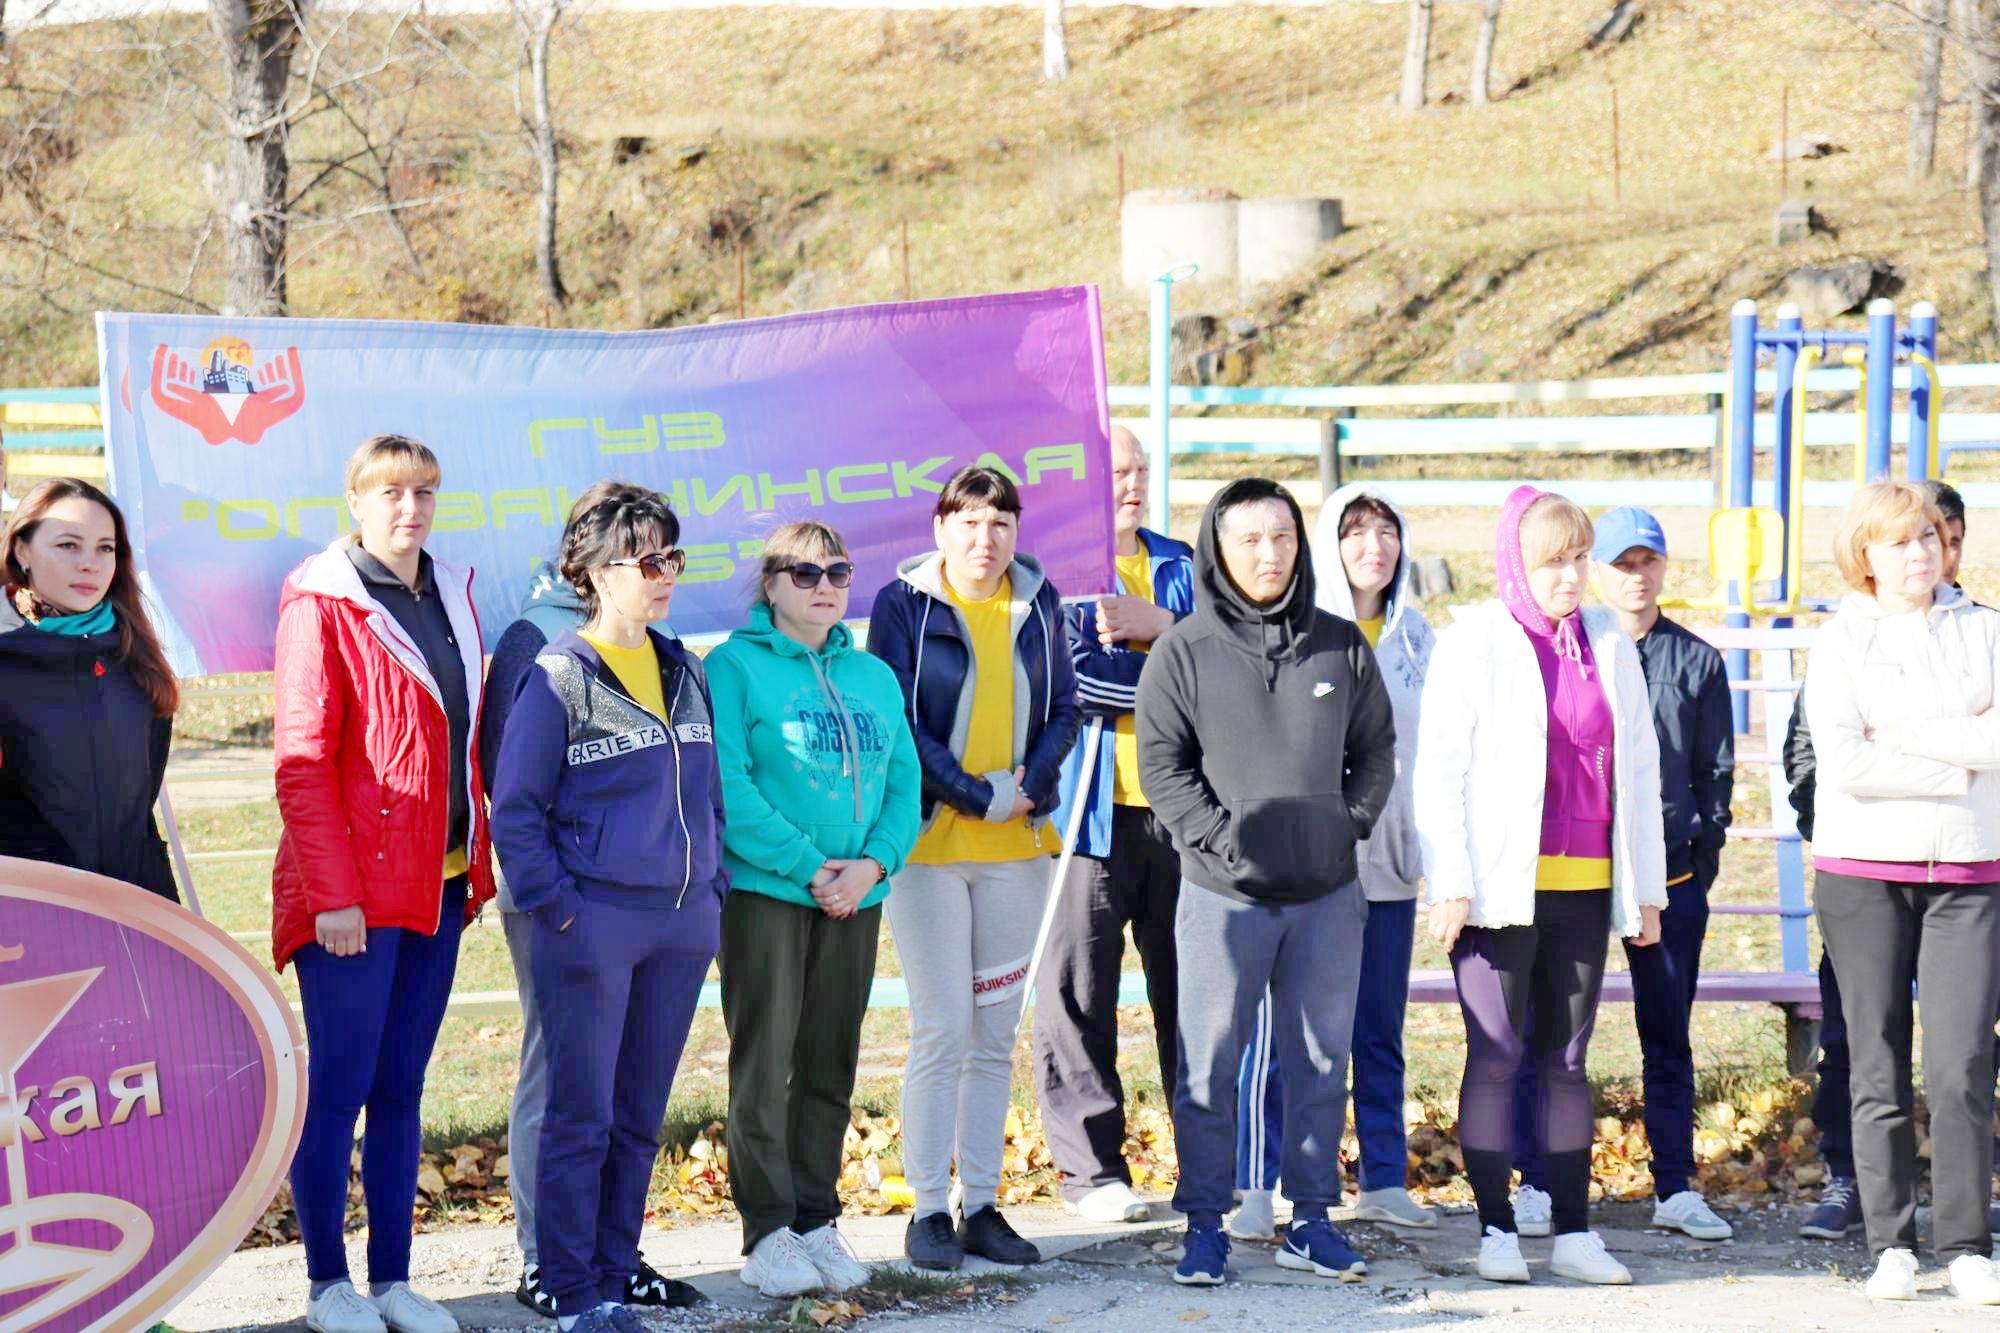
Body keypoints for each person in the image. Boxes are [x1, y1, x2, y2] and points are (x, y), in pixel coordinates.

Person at [1136, 477, 1396, 1288]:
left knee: (1320, 1060)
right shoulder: (1183, 649)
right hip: (1222, 897)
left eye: (1281, 536)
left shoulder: (1339, 643)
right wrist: (1225, 841)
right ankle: (1204, 1224)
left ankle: (1311, 1219)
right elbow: (1163, 766)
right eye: (1248, 539)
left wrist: (1345, 823)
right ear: (1218, 549)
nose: (1268, 553)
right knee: (1209, 1064)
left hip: (1326, 895)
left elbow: (1376, 749)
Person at [1414, 485, 1665, 1288]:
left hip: (1585, 882)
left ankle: (1575, 1232)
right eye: (1554, 560)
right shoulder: (1475, 639)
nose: (1571, 576)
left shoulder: (1608, 641)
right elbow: (1440, 769)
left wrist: (1647, 887)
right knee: (1495, 1056)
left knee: (1568, 1059)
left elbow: (1641, 766)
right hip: (1496, 887)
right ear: (1517, 563)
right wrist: (1450, 880)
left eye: (1580, 558)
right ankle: (1495, 1228)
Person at [490, 483, 726, 1333]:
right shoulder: (558, 675)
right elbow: (515, 811)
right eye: (646, 560)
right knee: (579, 1115)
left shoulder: (685, 666)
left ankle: (616, 1269)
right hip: (590, 925)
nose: (666, 575)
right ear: (593, 571)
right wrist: (561, 911)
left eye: (672, 557)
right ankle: (569, 1286)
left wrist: (710, 892)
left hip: (679, 924)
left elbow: (710, 793)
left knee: (638, 1115)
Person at [272, 436, 492, 1333]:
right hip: (352, 898)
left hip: (439, 884)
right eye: (391, 492)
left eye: (425, 491)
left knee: (401, 1087)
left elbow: (464, 739)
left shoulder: (453, 593)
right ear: (355, 501)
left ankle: (394, 1278)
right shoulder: (321, 599)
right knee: (339, 1085)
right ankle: (328, 1283)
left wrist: (476, 864)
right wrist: (332, 895)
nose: (411, 508)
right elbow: (301, 764)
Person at [866, 465, 1081, 1272]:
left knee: (994, 1036)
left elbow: (1066, 709)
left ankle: (982, 1205)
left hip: (1016, 850)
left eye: (1000, 524)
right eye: (969, 522)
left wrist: (1031, 787)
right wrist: (973, 793)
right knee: (944, 1026)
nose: (985, 539)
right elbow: (897, 718)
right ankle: (926, 1207)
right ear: (940, 529)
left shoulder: (1041, 601)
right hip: (929, 848)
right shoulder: (904, 605)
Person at [1506, 507, 1735, 1243]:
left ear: (1664, 567)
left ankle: (1675, 1183)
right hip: (1573, 871)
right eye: (1621, 562)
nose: (1635, 576)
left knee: (1666, 1032)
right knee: (1548, 1034)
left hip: (1666, 879)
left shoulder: (1696, 661)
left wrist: (1694, 863)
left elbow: (1715, 776)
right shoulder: (1572, 647)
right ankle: (1536, 1177)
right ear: (1595, 569)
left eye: (1647, 561)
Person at [707, 521, 921, 1297]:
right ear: (770, 584)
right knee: (765, 1063)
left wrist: (871, 865)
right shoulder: (732, 667)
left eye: (837, 570)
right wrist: (810, 866)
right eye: (804, 572)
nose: (824, 584)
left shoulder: (873, 676)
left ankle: (815, 1216)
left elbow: (905, 784)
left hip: (855, 894)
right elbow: (727, 784)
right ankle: (767, 1231)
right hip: (768, 892)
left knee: (831, 1060)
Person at [1784, 479, 2000, 1243]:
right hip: (1864, 873)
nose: (1920, 553)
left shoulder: (1988, 631)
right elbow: (1844, 761)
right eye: (1900, 541)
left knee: (1961, 1065)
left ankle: (1966, 1241)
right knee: (1875, 1064)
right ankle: (1890, 1243)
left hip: (1969, 874)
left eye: (1929, 537)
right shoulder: (1840, 641)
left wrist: (1901, 733)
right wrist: (1962, 760)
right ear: (1865, 555)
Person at [1230, 484, 1438, 1239]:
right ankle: (1259, 1183)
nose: (1372, 547)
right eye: (1355, 532)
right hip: (1311, 867)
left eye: (1386, 531)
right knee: (1289, 1035)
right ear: (1329, 542)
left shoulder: (1419, 640)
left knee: (1378, 1027)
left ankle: (1382, 1177)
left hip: (1389, 865)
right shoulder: (1304, 631)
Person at [1033, 426, 1195, 1225]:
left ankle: (1211, 1162)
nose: (1130, 484)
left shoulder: (1183, 566)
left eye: (1139, 470)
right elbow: (1079, 681)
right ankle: (1092, 1170)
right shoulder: (1058, 573)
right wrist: (1177, 661)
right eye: (1115, 472)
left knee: (1193, 993)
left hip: (1182, 813)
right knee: (1079, 992)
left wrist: (1162, 625)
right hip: (1088, 813)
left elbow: (1226, 668)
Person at [0, 478, 180, 900]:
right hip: (33, 907)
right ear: (22, 551)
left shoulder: (135, 652)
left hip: (138, 899)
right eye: (68, 545)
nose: (90, 564)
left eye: (105, 548)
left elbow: (141, 794)